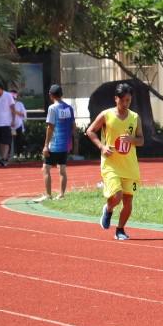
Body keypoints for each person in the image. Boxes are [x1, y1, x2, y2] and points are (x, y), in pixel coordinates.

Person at [86, 82, 144, 241]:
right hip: (111, 164)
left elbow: (141, 140)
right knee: (117, 196)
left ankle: (120, 230)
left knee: (128, 201)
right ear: (116, 99)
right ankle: (109, 208)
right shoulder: (106, 115)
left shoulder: (135, 117)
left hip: (130, 166)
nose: (125, 104)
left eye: (128, 100)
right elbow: (90, 131)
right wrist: (102, 147)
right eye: (123, 100)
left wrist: (132, 139)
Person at [35, 84, 74, 202]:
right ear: (61, 94)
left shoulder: (52, 108)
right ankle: (61, 195)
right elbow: (73, 126)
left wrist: (46, 145)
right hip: (65, 145)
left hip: (54, 145)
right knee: (62, 170)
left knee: (46, 169)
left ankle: (48, 195)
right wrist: (70, 141)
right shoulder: (69, 108)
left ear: (51, 95)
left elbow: (50, 127)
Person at [10, 89, 27, 158]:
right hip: (9, 126)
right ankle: (9, 156)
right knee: (9, 141)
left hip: (18, 125)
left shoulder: (20, 104)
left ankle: (19, 155)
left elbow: (24, 115)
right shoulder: (6, 104)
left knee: (19, 141)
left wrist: (15, 111)